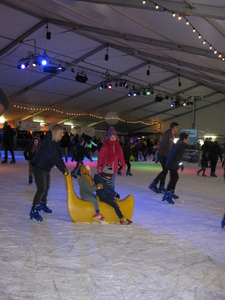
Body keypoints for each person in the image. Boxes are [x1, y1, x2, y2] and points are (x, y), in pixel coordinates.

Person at [30, 124, 69, 222]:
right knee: (41, 188)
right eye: (62, 133)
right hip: (38, 166)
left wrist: (63, 167)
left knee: (46, 187)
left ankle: (42, 203)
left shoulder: (55, 142)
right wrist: (63, 169)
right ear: (57, 132)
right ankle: (34, 209)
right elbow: (55, 158)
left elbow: (58, 157)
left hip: (45, 167)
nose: (63, 135)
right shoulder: (49, 142)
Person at [149, 122, 179, 193]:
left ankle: (161, 186)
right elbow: (162, 144)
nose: (177, 129)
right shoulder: (168, 134)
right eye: (176, 127)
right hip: (164, 155)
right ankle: (154, 183)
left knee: (165, 171)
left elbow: (170, 145)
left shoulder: (172, 135)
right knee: (165, 171)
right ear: (172, 128)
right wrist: (160, 155)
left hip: (167, 155)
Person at [162, 132, 189, 204]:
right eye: (187, 139)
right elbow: (179, 157)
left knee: (175, 178)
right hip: (173, 164)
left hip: (171, 163)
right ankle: (167, 194)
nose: (187, 140)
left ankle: (171, 192)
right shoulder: (181, 145)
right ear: (184, 139)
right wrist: (181, 164)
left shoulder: (178, 144)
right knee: (174, 178)